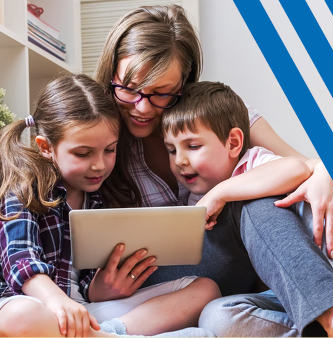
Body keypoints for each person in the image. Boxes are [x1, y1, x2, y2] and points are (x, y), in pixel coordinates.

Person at [91, 3, 333, 336]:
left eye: (160, 93)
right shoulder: (98, 138)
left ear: (182, 87)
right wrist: (98, 287)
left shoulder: (216, 119)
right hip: (165, 276)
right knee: (220, 311)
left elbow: (301, 165)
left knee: (252, 193)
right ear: (111, 73)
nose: (142, 106)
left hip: (244, 259)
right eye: (128, 88)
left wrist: (329, 172)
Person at [0, 74, 220, 337]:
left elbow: (85, 282)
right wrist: (58, 301)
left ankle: (107, 334)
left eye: (110, 150)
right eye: (82, 153)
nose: (100, 165)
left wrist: (97, 289)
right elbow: (19, 260)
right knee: (19, 317)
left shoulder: (100, 198)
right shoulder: (24, 185)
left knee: (205, 289)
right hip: (37, 304)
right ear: (46, 147)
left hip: (87, 314)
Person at [161, 80, 333, 336]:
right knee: (217, 317)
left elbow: (296, 168)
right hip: (293, 291)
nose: (180, 161)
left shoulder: (253, 162)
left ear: (234, 143)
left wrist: (221, 193)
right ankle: (324, 326)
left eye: (193, 146)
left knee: (260, 203)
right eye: (171, 150)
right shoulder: (196, 197)